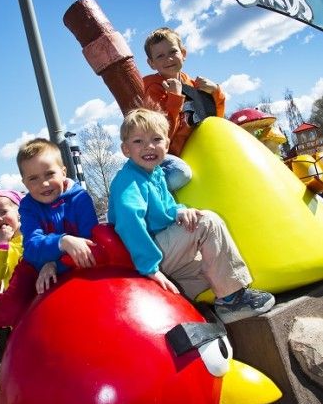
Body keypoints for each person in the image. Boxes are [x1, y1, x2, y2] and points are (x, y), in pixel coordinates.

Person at [108, 108, 275, 324]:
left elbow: (167, 206)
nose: (149, 146)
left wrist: (179, 211)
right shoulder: (129, 180)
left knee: (215, 265)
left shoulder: (154, 174)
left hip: (161, 250)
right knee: (207, 222)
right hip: (145, 255)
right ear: (125, 149)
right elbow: (129, 222)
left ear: (166, 145)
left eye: (156, 139)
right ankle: (231, 301)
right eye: (138, 141)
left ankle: (193, 308)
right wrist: (150, 267)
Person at [0, 138, 99, 342]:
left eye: (50, 174)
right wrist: (63, 242)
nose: (43, 183)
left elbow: (88, 243)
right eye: (33, 178)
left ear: (64, 171)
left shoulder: (80, 199)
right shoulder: (29, 207)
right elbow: (32, 247)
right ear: (24, 182)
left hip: (74, 263)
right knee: (13, 303)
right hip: (33, 266)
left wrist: (54, 263)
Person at [143, 27, 226, 159]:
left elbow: (216, 120)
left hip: (203, 149)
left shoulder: (193, 85)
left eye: (173, 52)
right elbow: (161, 135)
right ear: (151, 63)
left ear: (183, 54)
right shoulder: (154, 89)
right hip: (176, 159)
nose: (168, 59)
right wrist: (174, 98)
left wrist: (216, 92)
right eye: (160, 56)